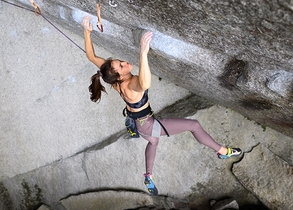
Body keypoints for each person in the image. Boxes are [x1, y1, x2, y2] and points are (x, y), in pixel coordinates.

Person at [81, 15, 242, 196]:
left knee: (153, 141)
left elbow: (91, 56)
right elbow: (145, 83)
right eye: (122, 65)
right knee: (193, 126)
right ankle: (222, 151)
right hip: (147, 124)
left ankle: (148, 175)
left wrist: (87, 32)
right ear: (119, 75)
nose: (125, 63)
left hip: (140, 125)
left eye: (120, 61)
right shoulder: (131, 85)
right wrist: (143, 53)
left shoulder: (112, 78)